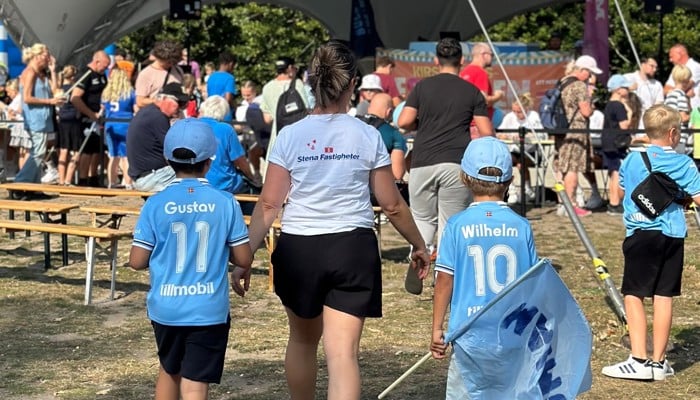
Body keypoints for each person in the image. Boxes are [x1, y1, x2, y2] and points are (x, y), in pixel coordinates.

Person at [246, 40, 430, 400]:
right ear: (352, 86)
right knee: (342, 354)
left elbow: (269, 203)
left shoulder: (290, 135)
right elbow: (391, 204)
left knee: (301, 341)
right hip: (352, 247)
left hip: (299, 247)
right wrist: (419, 244)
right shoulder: (367, 135)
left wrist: (245, 254)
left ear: (312, 83)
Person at [129, 117, 253, 400]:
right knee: (195, 382)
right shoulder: (226, 202)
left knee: (168, 369)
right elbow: (243, 256)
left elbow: (137, 261)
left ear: (167, 158)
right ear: (210, 160)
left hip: (166, 307)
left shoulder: (155, 203)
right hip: (208, 308)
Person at [431, 136, 538, 398]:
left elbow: (445, 281)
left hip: (469, 335)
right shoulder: (521, 226)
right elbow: (534, 284)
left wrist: (437, 327)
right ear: (510, 180)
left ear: (463, 178)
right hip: (512, 332)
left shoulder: (457, 225)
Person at [601, 104, 700, 381]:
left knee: (634, 294)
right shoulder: (684, 163)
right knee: (663, 295)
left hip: (641, 233)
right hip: (672, 235)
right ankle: (658, 362)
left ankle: (638, 358)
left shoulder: (632, 160)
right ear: (673, 134)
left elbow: (622, 190)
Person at [398, 37, 492, 272]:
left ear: (435, 61)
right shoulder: (472, 92)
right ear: (462, 60)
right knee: (451, 223)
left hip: (423, 160)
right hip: (456, 161)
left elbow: (404, 121)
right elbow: (486, 132)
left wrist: (424, 122)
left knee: (422, 218)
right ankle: (446, 272)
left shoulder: (421, 87)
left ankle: (419, 257)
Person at [553, 55, 601, 217]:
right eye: (589, 72)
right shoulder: (579, 85)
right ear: (582, 70)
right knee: (573, 167)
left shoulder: (562, 82)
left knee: (562, 166)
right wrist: (592, 102)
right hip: (576, 129)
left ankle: (562, 203)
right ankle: (571, 204)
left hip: (560, 129)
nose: (590, 77)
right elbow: (586, 111)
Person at [13, 43, 65, 192]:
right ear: (37, 56)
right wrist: (49, 101)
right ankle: (21, 182)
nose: (48, 58)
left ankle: (34, 187)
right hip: (35, 119)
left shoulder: (42, 74)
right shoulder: (29, 73)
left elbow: (55, 90)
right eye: (46, 55)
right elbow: (27, 98)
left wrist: (53, 71)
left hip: (44, 119)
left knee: (40, 152)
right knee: (38, 152)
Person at [126, 82, 188, 192]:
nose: (180, 108)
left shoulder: (149, 112)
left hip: (143, 176)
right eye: (178, 102)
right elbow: (172, 150)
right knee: (193, 173)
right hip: (151, 176)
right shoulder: (158, 117)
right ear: (164, 99)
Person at [198, 95, 259, 200]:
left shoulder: (191, 126)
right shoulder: (225, 130)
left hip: (196, 185)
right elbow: (241, 161)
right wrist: (252, 177)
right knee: (255, 191)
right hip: (223, 186)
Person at [70, 50, 111, 187]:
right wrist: (90, 114)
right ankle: (82, 179)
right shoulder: (86, 74)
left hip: (100, 118)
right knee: (87, 151)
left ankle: (93, 177)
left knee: (97, 150)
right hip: (86, 119)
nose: (105, 69)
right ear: (97, 61)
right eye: (104, 66)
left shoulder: (102, 75)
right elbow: (75, 98)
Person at [496, 92, 544, 204]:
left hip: (531, 151)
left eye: (519, 112)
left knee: (521, 163)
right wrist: (505, 135)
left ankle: (526, 189)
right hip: (514, 150)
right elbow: (499, 132)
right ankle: (511, 190)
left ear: (526, 108)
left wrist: (525, 136)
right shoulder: (509, 117)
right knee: (503, 161)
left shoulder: (533, 116)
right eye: (514, 111)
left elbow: (540, 135)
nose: (516, 114)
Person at [260, 56, 309, 161]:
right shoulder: (297, 85)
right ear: (290, 68)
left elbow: (267, 119)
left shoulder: (267, 87)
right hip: (297, 139)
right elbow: (306, 110)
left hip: (276, 138)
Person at [601, 74, 632, 215]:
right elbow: (624, 125)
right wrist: (630, 113)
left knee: (614, 172)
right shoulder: (618, 106)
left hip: (608, 141)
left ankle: (613, 202)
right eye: (625, 87)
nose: (628, 89)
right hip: (616, 143)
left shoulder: (609, 105)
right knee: (617, 173)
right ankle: (614, 202)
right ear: (618, 89)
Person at [359, 92, 407, 181]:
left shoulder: (349, 123)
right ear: (389, 112)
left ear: (369, 108)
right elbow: (397, 174)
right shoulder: (394, 134)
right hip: (374, 188)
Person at [101, 68, 136, 189]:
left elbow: (103, 107)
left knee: (113, 155)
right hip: (126, 124)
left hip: (110, 124)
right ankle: (128, 182)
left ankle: (111, 182)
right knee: (126, 155)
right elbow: (135, 108)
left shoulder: (107, 92)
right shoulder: (129, 92)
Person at [459, 42, 505, 124]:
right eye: (491, 55)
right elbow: (484, 102)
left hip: (466, 122)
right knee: (499, 114)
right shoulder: (480, 72)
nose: (492, 58)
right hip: (479, 124)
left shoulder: (464, 72)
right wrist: (498, 96)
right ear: (484, 54)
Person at [134, 40, 183, 108]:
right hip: (155, 115)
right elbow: (140, 102)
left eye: (173, 62)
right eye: (168, 62)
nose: (171, 64)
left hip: (176, 116)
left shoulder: (178, 70)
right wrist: (161, 101)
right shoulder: (146, 74)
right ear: (158, 58)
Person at [624, 57, 664, 123]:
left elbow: (658, 104)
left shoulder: (657, 85)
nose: (654, 69)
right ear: (643, 65)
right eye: (652, 66)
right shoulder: (628, 78)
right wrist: (628, 89)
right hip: (630, 119)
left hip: (648, 121)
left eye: (656, 67)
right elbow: (615, 93)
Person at [664, 64, 693, 155]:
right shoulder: (681, 96)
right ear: (686, 80)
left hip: (669, 136)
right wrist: (693, 114)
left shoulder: (670, 95)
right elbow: (682, 117)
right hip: (680, 138)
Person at [664, 44, 700, 109]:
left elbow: (684, 86)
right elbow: (665, 89)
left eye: (672, 56)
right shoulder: (676, 69)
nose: (670, 60)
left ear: (680, 54)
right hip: (678, 110)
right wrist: (683, 93)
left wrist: (673, 91)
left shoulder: (696, 67)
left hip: (694, 112)